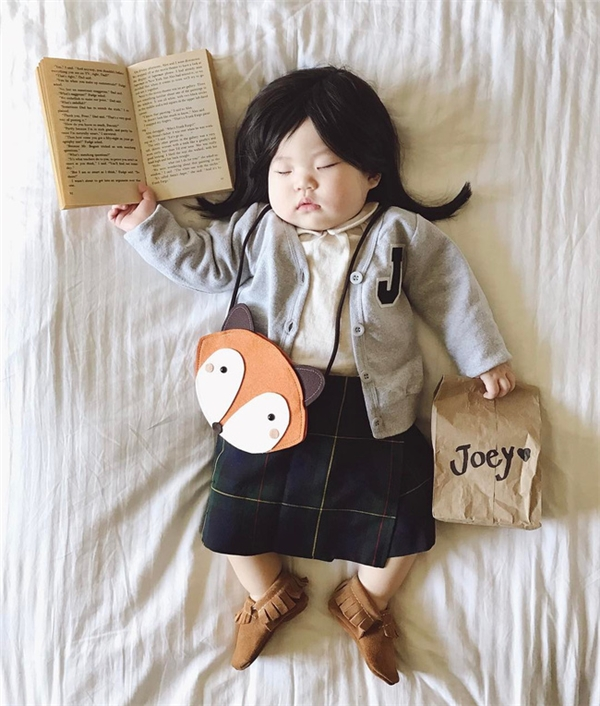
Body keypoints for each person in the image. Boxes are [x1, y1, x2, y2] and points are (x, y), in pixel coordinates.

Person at [108, 66, 516, 685]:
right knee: (230, 523)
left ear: (371, 171)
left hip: (374, 412)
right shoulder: (255, 230)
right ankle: (269, 592)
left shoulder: (399, 233)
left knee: (408, 528)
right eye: (283, 170)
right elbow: (202, 263)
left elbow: (449, 291)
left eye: (325, 166)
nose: (303, 183)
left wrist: (483, 357)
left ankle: (367, 602)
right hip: (268, 408)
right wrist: (146, 225)